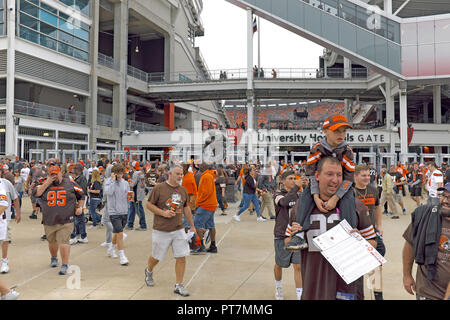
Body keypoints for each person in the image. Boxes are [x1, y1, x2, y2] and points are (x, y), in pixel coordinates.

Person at [295, 157, 377, 300]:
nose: (335, 180)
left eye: (339, 175)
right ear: (317, 176)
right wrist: (293, 234)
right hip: (313, 289)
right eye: (329, 174)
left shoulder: (356, 206)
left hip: (347, 289)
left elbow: (373, 243)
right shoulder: (302, 208)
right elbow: (287, 242)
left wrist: (359, 242)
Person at [285, 115, 356, 250]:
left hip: (341, 186)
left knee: (349, 199)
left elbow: (349, 178)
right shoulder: (317, 149)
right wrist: (316, 197)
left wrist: (336, 198)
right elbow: (311, 174)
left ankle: (349, 235)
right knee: (305, 197)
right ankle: (299, 235)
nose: (341, 134)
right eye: (336, 131)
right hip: (318, 186)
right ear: (325, 131)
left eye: (344, 131)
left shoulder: (347, 151)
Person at [145, 165, 196, 297]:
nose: (180, 176)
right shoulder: (159, 188)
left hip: (178, 229)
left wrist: (192, 225)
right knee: (157, 257)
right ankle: (149, 270)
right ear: (170, 174)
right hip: (161, 229)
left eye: (181, 174)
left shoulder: (183, 190)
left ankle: (178, 284)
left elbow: (186, 209)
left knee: (181, 256)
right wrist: (163, 213)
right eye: (177, 174)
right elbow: (149, 204)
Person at [33, 165, 84, 275]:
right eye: (52, 174)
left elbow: (81, 195)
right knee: (52, 241)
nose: (55, 176)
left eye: (56, 174)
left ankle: (65, 264)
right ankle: (54, 257)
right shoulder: (43, 183)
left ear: (61, 173)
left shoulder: (70, 183)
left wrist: (80, 207)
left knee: (64, 241)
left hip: (66, 219)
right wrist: (47, 182)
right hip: (49, 219)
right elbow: (36, 193)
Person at [402, 183, 450, 300]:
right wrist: (407, 275)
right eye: (443, 196)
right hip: (426, 292)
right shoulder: (425, 216)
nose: (445, 200)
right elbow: (409, 245)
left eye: (449, 198)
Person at [273, 170, 308, 300]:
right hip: (281, 234)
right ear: (282, 181)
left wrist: (306, 187)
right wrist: (296, 187)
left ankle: (300, 295)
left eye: (295, 178)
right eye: (290, 178)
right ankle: (278, 287)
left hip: (296, 234)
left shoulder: (298, 194)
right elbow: (284, 203)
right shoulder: (277, 194)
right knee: (279, 264)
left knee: (298, 266)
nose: (293, 180)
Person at [354, 164, 385, 300]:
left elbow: (377, 207)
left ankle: (378, 296)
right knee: (357, 268)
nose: (367, 178)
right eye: (364, 175)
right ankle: (358, 295)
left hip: (372, 234)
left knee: (376, 265)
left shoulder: (373, 190)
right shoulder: (350, 192)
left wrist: (379, 225)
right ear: (355, 176)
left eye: (368, 175)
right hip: (356, 235)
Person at [104, 164, 130, 265]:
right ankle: (122, 256)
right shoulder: (108, 182)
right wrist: (113, 181)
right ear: (113, 173)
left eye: (120, 173)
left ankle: (111, 248)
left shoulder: (125, 183)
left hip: (124, 211)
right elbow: (108, 192)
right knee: (119, 234)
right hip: (113, 212)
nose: (119, 175)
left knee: (116, 232)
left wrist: (130, 196)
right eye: (117, 173)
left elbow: (127, 194)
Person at [193, 163, 218, 254]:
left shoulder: (206, 176)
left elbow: (205, 193)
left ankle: (201, 246)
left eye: (200, 165)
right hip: (211, 204)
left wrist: (198, 203)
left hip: (205, 205)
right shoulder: (208, 175)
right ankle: (213, 245)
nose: (199, 166)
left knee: (197, 225)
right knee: (211, 225)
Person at [69, 164, 89, 244]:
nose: (73, 170)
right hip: (77, 201)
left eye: (75, 169)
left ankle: (77, 236)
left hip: (79, 201)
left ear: (79, 170)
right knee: (79, 219)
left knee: (78, 219)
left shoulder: (82, 178)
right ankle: (80, 235)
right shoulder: (78, 178)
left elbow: (82, 190)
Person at [126, 162, 147, 231]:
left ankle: (143, 225)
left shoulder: (136, 173)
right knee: (132, 209)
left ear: (133, 166)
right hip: (137, 193)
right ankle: (130, 224)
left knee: (139, 210)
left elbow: (132, 184)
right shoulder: (141, 172)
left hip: (136, 194)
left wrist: (127, 183)